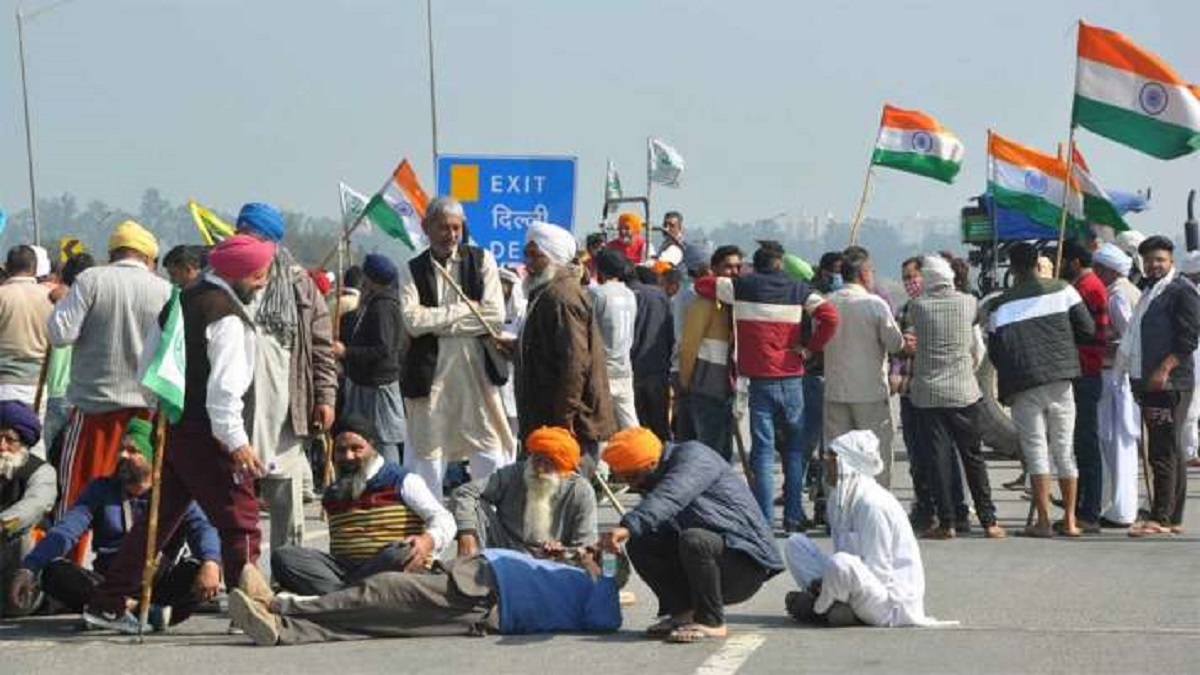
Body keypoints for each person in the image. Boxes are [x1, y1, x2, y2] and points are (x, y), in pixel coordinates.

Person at [82, 234, 275, 633]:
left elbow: (146, 370)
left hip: (172, 429)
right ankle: (249, 609)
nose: (262, 282)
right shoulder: (226, 316)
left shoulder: (180, 300)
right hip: (211, 434)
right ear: (238, 274)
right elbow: (225, 390)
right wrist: (236, 440)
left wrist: (161, 415)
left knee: (160, 518)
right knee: (241, 518)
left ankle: (109, 603)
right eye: (258, 275)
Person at [11, 418, 220, 628]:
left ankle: (111, 612)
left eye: (133, 451)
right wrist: (29, 568)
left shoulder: (174, 493)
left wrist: (211, 561)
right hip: (109, 583)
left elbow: (202, 528)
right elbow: (66, 531)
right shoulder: (101, 489)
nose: (122, 455)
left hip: (157, 583)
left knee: (198, 568)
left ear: (153, 457)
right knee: (53, 572)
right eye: (122, 449)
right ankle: (137, 611)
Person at [47, 221, 171, 565]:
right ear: (149, 258)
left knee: (76, 497)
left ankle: (64, 573)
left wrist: (60, 301)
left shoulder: (92, 280)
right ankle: (134, 571)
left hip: (94, 410)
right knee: (142, 496)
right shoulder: (163, 290)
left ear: (112, 254)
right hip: (144, 414)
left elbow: (60, 334)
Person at [694, 241, 839, 532]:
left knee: (762, 450)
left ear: (755, 265)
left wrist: (733, 276)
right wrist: (810, 349)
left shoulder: (742, 286)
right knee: (795, 451)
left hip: (759, 380)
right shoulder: (799, 289)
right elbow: (830, 317)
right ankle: (794, 517)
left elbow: (702, 286)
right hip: (793, 376)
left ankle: (763, 519)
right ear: (780, 265)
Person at [227, 541, 622, 645]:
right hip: (473, 581)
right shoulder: (569, 572)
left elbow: (605, 621)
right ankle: (280, 629)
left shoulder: (598, 590)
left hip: (483, 597)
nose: (592, 554)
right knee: (379, 620)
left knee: (381, 591)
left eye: (602, 559)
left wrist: (603, 566)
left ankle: (280, 605)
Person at [600, 428, 783, 643]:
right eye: (623, 478)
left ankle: (712, 621)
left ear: (651, 463)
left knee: (695, 540)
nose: (632, 485)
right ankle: (683, 613)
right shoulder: (655, 474)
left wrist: (628, 526)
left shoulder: (695, 457)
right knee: (642, 539)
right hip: (708, 559)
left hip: (745, 563)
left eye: (633, 476)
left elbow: (670, 496)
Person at [236, 203, 337, 552]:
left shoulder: (300, 285)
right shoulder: (224, 279)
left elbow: (322, 347)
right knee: (232, 500)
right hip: (234, 407)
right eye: (242, 234)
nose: (246, 241)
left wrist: (325, 397)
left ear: (271, 241)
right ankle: (232, 572)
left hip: (287, 408)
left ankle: (287, 573)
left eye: (253, 236)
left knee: (285, 498)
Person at [399, 197, 515, 493]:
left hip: (476, 373)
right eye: (443, 228)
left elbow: (494, 316)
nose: (451, 235)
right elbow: (412, 321)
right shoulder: (412, 269)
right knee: (429, 456)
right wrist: (464, 309)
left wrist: (436, 324)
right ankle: (434, 530)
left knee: (488, 449)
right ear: (426, 228)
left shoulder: (481, 259)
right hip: (431, 376)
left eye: (456, 228)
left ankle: (489, 525)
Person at [271, 415, 454, 596]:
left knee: (400, 553)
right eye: (341, 450)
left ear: (372, 447)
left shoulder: (402, 480)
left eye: (356, 448)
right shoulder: (333, 493)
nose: (348, 456)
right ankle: (349, 597)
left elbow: (444, 519)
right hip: (346, 571)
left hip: (389, 567)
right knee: (285, 557)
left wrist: (426, 542)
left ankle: (339, 599)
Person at [783, 430, 951, 627]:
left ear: (846, 463)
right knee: (796, 545)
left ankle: (818, 609)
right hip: (858, 585)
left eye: (830, 457)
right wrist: (834, 583)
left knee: (840, 563)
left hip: (888, 600)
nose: (825, 463)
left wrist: (837, 583)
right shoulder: (840, 499)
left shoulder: (873, 505)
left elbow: (879, 569)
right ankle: (837, 607)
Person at [986, 242, 1095, 538]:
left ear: (1012, 267)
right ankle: (1071, 521)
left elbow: (995, 353)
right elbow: (1087, 331)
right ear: (1038, 262)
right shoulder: (1064, 289)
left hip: (1023, 384)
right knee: (1064, 450)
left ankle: (1044, 521)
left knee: (1036, 451)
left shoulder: (1000, 305)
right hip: (1061, 379)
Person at [906, 256, 1004, 540]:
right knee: (973, 457)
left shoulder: (917, 306)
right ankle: (989, 520)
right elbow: (980, 319)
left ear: (928, 279)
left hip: (929, 394)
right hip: (963, 390)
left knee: (937, 459)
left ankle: (946, 523)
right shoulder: (968, 302)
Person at [516, 222, 615, 471]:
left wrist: (564, 421)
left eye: (534, 255)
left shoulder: (562, 296)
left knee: (565, 497)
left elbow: (575, 364)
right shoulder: (546, 292)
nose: (527, 263)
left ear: (553, 258)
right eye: (526, 254)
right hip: (546, 418)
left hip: (567, 424)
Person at [1118, 235, 1200, 536]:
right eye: (1149, 260)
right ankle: (1171, 516)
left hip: (1168, 383)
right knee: (1171, 449)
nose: (1154, 265)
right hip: (1151, 382)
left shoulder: (1181, 291)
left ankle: (1161, 517)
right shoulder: (1150, 290)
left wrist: (1164, 369)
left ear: (1171, 260)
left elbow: (1188, 339)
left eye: (1159, 260)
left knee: (1163, 450)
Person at [823, 246, 903, 489]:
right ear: (864, 273)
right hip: (869, 391)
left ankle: (838, 512)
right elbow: (895, 343)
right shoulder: (874, 304)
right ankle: (877, 506)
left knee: (838, 456)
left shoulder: (828, 303)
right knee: (875, 456)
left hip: (836, 389)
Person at [450, 426, 597, 558]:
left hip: (552, 561)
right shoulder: (516, 472)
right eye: (537, 460)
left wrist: (564, 551)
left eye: (548, 464)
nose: (539, 469)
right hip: (506, 548)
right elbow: (464, 492)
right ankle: (471, 568)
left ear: (562, 469)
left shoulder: (580, 491)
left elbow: (586, 546)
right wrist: (467, 533)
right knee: (475, 504)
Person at [332, 254, 405, 466]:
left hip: (378, 386)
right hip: (365, 384)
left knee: (383, 440)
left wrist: (347, 353)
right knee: (362, 436)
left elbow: (383, 349)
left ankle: (390, 488)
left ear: (370, 279)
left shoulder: (383, 307)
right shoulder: (375, 304)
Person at [1057, 240, 1109, 533]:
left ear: (1074, 262)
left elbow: (1083, 333)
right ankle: (1080, 508)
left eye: (1063, 261)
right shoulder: (1085, 286)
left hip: (1085, 370)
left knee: (1085, 444)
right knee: (1079, 443)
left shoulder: (1085, 289)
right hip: (1083, 369)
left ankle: (1089, 511)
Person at [1092, 244, 1142, 527]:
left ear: (1108, 270)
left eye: (1099, 269)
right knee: (1119, 442)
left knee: (1116, 442)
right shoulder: (1129, 290)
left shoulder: (1117, 296)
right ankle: (1119, 506)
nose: (1096, 273)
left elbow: (1128, 338)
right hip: (1120, 374)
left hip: (1116, 375)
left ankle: (1120, 509)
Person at [678, 245, 741, 460]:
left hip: (730, 387)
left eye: (737, 267)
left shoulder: (736, 304)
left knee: (723, 448)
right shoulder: (703, 304)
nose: (734, 272)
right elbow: (688, 348)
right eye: (728, 267)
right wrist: (686, 381)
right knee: (709, 449)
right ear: (714, 269)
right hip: (706, 387)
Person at [0, 401, 57, 617]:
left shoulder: (41, 471)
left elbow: (34, 506)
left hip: (18, 557)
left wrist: (3, 523)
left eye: (10, 440)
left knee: (25, 535)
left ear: (24, 443)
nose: (2, 445)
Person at [42, 253, 96, 458]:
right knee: (75, 456)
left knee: (47, 453)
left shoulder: (60, 300)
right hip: (82, 392)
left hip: (57, 389)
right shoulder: (93, 301)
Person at [589, 249, 639, 429]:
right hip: (624, 367)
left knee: (601, 427)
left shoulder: (598, 294)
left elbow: (588, 330)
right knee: (631, 426)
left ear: (599, 270)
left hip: (603, 371)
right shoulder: (630, 294)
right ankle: (644, 456)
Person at [0, 246, 53, 408]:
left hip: (4, 386)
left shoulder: (2, 295)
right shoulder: (49, 297)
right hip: (39, 387)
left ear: (8, 268)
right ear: (34, 269)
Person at [629, 260, 675, 441]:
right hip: (658, 368)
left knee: (638, 425)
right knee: (660, 424)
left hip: (632, 369)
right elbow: (671, 333)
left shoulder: (628, 295)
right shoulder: (661, 297)